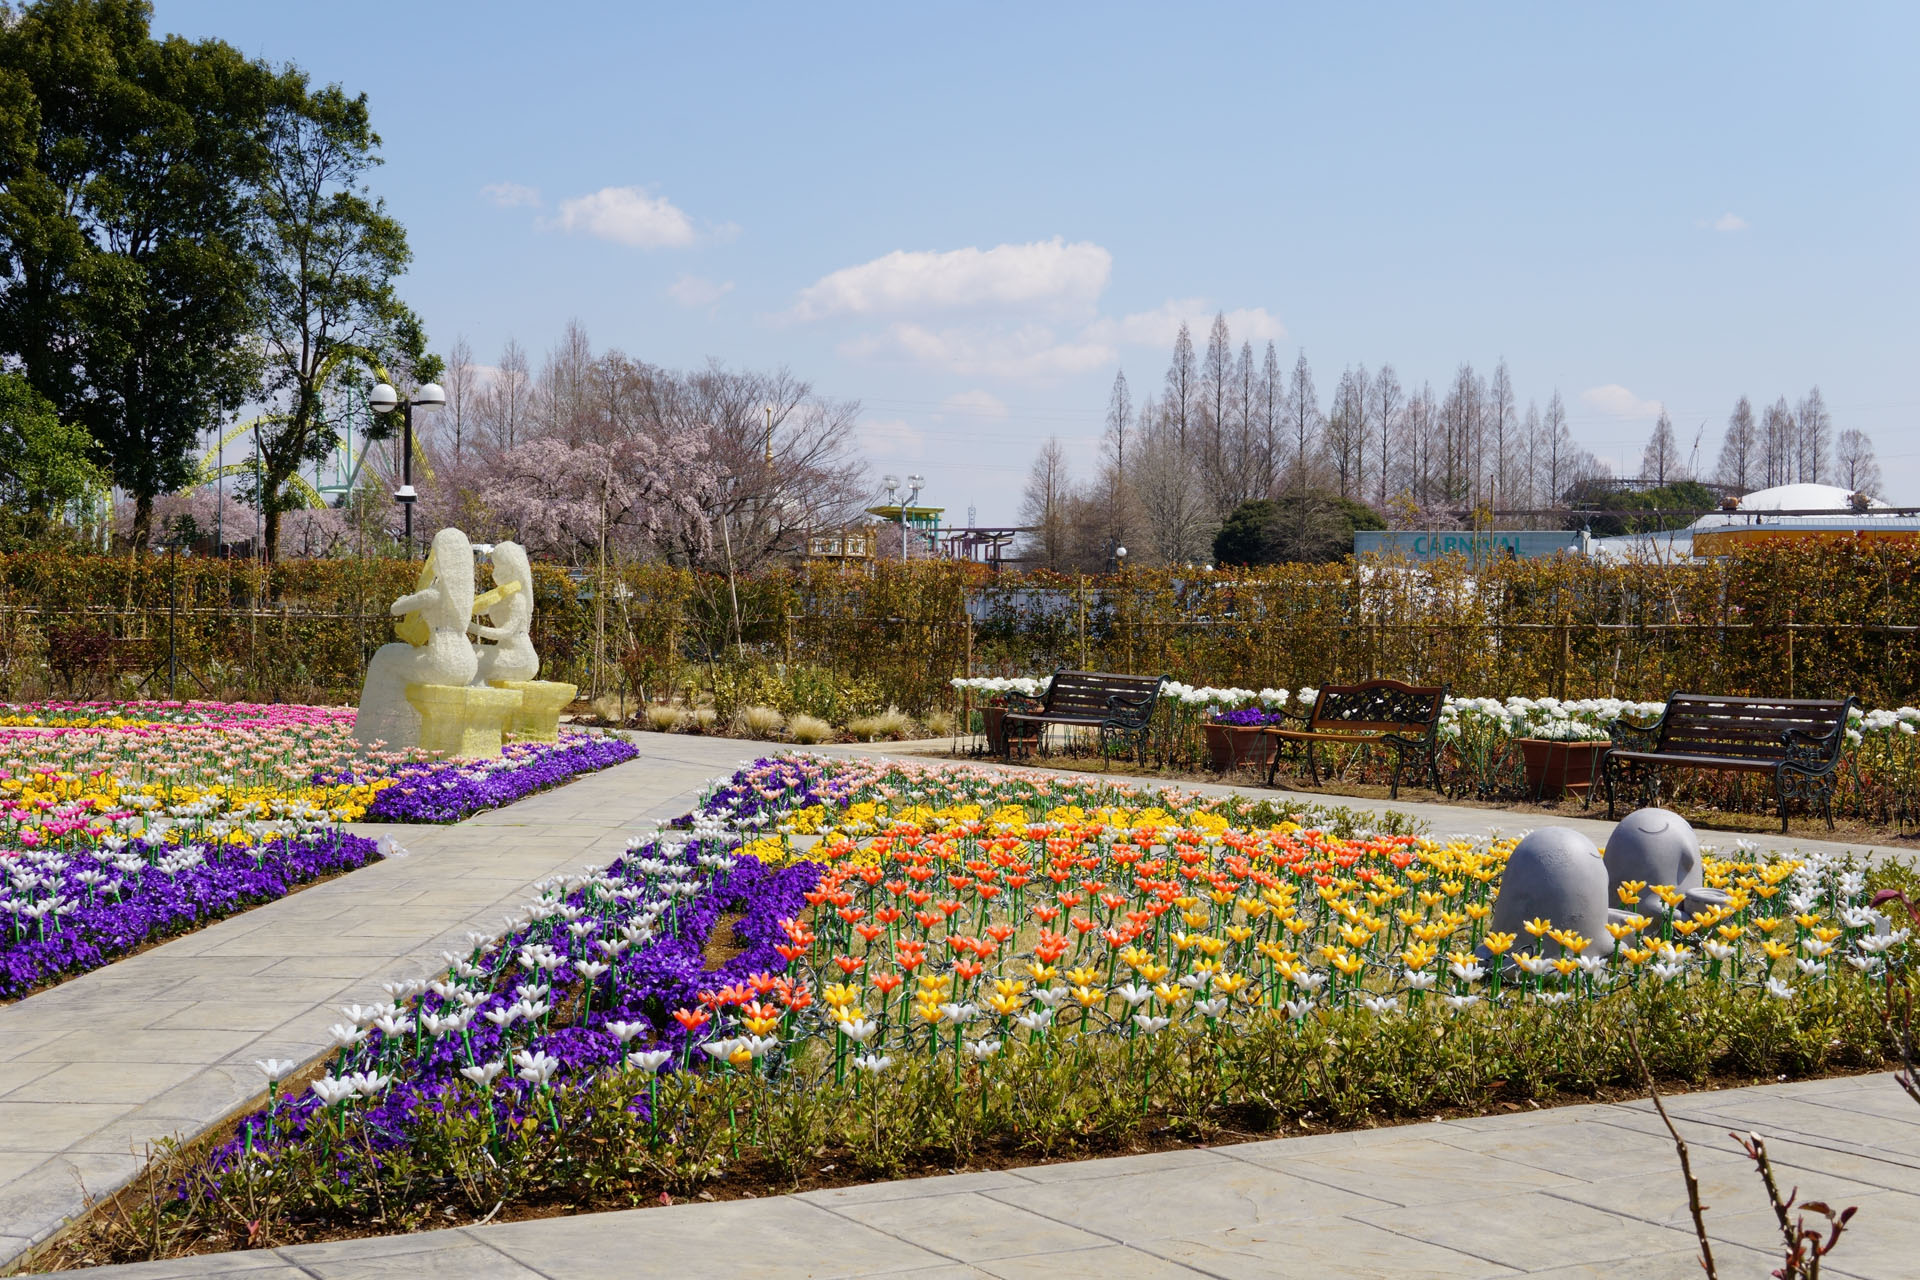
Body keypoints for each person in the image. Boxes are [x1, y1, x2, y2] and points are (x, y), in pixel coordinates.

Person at [354, 527, 479, 746]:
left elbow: (396, 609)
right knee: (403, 659)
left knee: (384, 655)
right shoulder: (465, 596)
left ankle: (380, 736)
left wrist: (406, 597)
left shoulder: (435, 593)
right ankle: (405, 732)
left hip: (442, 664)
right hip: (468, 664)